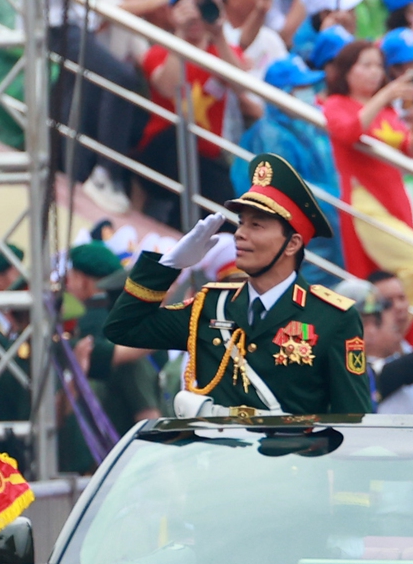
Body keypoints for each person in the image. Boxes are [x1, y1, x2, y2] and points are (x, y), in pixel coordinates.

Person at [104, 156, 370, 418]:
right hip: (218, 457)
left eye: (256, 225)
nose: (241, 233)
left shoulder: (332, 318)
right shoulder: (211, 306)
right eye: (242, 222)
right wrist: (167, 267)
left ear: (292, 244)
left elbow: (353, 419)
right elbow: (124, 329)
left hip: (291, 459)